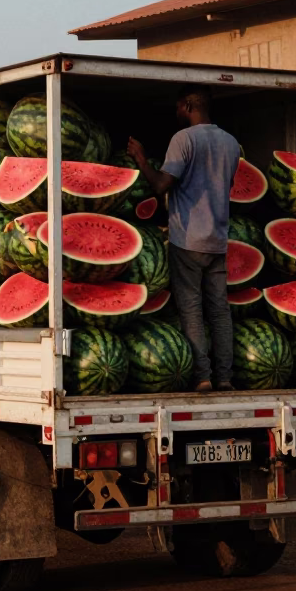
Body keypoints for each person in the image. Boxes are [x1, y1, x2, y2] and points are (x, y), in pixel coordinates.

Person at [126, 87, 241, 393]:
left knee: (191, 308)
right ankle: (225, 378)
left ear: (188, 105)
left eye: (178, 107)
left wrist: (141, 159)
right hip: (217, 239)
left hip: (187, 239)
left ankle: (203, 377)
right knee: (219, 310)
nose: (176, 113)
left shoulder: (183, 140)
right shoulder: (231, 143)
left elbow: (162, 185)